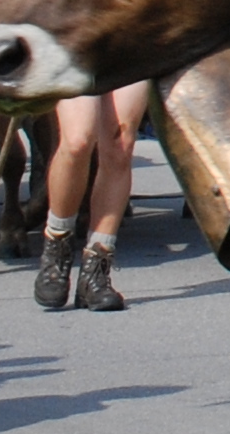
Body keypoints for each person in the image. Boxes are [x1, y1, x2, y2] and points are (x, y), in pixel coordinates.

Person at [33, 79, 153, 312]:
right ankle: (56, 247)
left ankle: (96, 270)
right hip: (76, 47)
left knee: (121, 145)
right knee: (78, 139)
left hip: (127, 45)